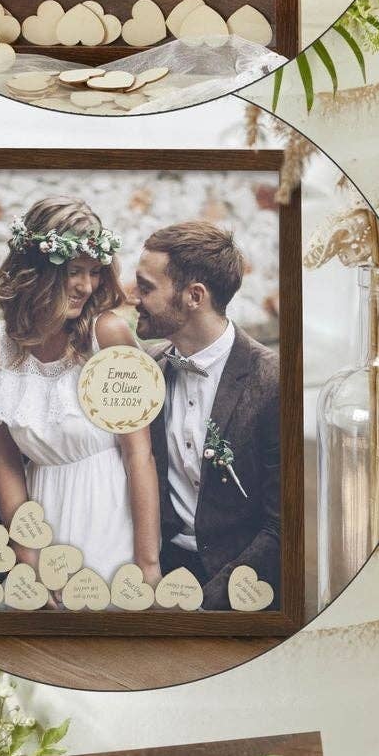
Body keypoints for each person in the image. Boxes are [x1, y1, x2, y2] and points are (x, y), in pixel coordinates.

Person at [0, 197, 159, 588]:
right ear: (36, 271)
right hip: (41, 522)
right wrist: (26, 555)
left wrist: (147, 562)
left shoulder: (106, 335)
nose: (86, 286)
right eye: (74, 271)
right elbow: (4, 461)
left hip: (115, 515)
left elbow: (139, 453)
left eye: (93, 272)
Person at [132, 218, 283, 610]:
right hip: (157, 574)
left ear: (193, 296)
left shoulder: (274, 382)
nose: (134, 297)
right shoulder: (147, 369)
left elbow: (281, 526)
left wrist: (203, 607)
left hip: (239, 583)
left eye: (146, 287)